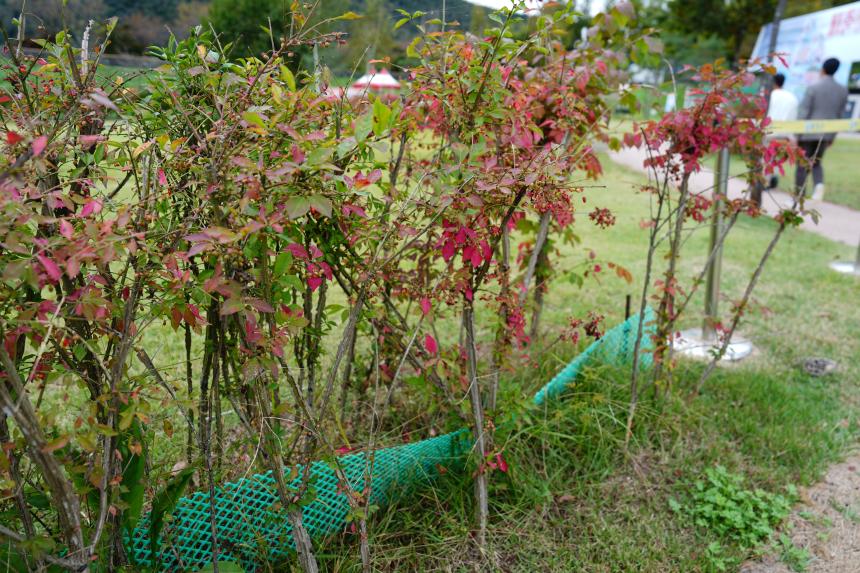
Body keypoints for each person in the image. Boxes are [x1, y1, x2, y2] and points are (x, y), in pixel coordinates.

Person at [795, 58, 849, 201]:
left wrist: (797, 134)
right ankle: (818, 185)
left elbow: (804, 112)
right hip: (826, 134)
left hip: (808, 133)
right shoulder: (842, 90)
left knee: (802, 164)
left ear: (823, 69)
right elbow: (840, 115)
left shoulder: (813, 87)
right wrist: (833, 136)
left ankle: (798, 197)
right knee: (817, 162)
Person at [765, 73, 799, 189]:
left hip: (769, 131)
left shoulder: (769, 95)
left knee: (766, 156)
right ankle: (773, 177)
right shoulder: (792, 97)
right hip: (785, 133)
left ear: (773, 82)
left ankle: (766, 180)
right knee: (776, 156)